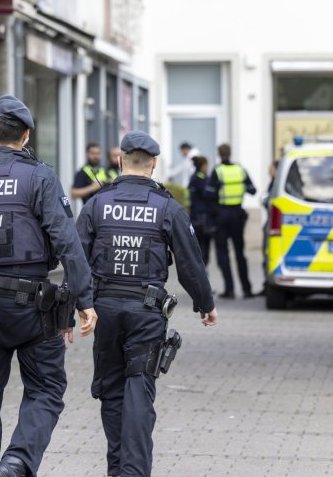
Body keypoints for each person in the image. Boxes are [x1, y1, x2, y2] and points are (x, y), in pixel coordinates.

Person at [0, 95, 97, 477]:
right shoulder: (39, 176)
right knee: (47, 389)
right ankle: (17, 461)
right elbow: (67, 240)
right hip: (32, 305)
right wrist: (84, 300)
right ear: (27, 135)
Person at [76, 132, 217, 477]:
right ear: (154, 164)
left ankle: (117, 468)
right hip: (146, 312)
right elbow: (189, 262)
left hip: (104, 309)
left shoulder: (97, 203)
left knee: (111, 391)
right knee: (138, 389)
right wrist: (205, 303)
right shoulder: (167, 207)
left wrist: (77, 305)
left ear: (120, 160)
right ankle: (133, 471)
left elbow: (75, 256)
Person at [206, 143, 257, 299]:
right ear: (230, 153)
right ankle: (247, 289)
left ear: (219, 154)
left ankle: (229, 290)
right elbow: (252, 190)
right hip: (237, 215)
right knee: (240, 254)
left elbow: (209, 195)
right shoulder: (240, 170)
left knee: (223, 254)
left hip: (222, 215)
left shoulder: (217, 171)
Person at [187, 155, 216, 267]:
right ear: (202, 165)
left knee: (198, 244)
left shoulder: (193, 178)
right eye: (206, 165)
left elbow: (189, 197)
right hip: (203, 216)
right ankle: (202, 267)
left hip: (196, 216)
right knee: (205, 244)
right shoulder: (202, 179)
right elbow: (208, 196)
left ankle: (201, 267)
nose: (207, 167)